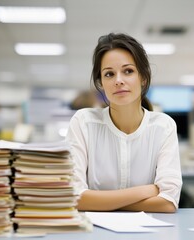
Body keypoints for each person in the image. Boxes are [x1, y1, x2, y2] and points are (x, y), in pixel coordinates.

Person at [66, 33, 182, 213]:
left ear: (143, 78)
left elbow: (167, 203)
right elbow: (73, 197)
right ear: (101, 83)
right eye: (109, 74)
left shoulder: (163, 126)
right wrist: (146, 191)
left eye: (128, 71)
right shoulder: (83, 122)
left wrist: (99, 202)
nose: (118, 80)